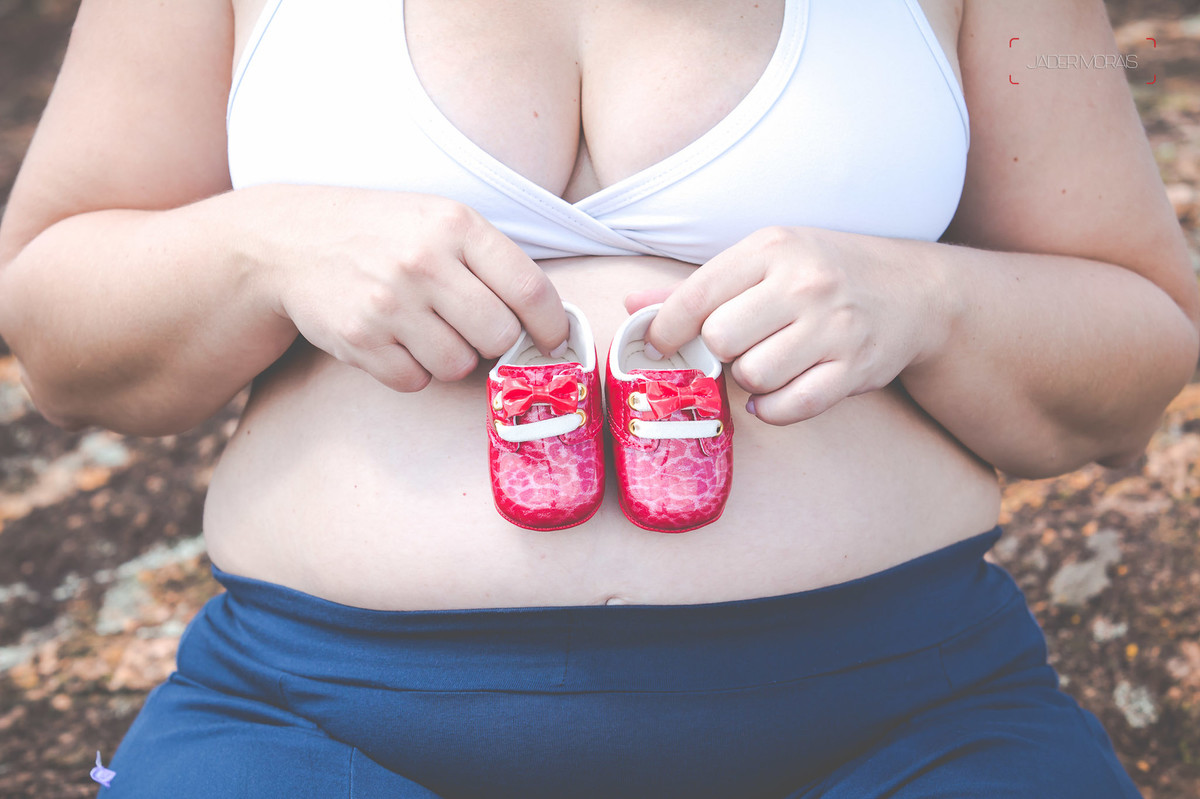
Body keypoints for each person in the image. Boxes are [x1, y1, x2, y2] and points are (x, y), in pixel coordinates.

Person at [0, 0, 1195, 796]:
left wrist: (933, 299)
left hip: (904, 725)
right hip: (314, 726)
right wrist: (261, 249)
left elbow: (1141, 347)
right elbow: (55, 329)